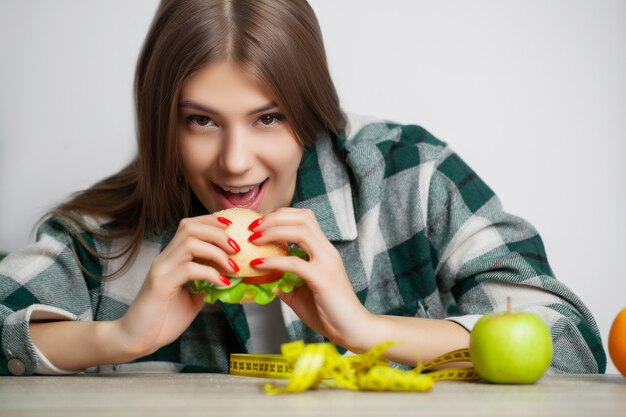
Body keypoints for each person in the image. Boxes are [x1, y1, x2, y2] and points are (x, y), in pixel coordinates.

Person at [0, 0, 605, 376]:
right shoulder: (106, 233)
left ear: (311, 109)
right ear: (164, 121)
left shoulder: (408, 176)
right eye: (202, 120)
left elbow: (571, 340)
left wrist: (366, 331)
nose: (236, 163)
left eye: (269, 117)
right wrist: (120, 335)